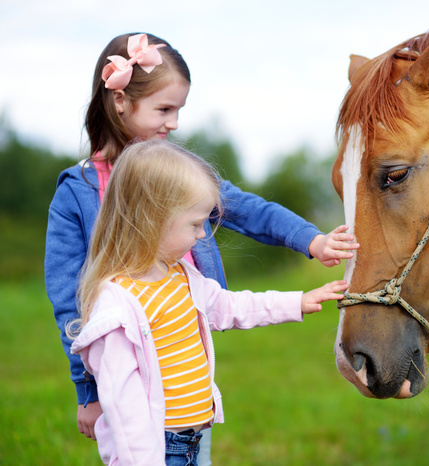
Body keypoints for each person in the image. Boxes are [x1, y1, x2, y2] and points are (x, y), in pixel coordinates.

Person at [44, 32, 358, 464]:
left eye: (179, 110)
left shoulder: (179, 173)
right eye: (164, 109)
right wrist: (87, 391)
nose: (173, 123)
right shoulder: (76, 191)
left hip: (183, 351)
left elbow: (248, 209)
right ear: (120, 102)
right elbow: (68, 298)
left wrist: (312, 240)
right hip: (126, 356)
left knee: (191, 435)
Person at [69, 140, 349, 465]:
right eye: (194, 224)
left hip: (195, 440)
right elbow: (124, 411)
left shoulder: (182, 277)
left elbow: (230, 307)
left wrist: (298, 301)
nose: (203, 235)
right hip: (160, 452)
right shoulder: (118, 307)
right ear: (151, 220)